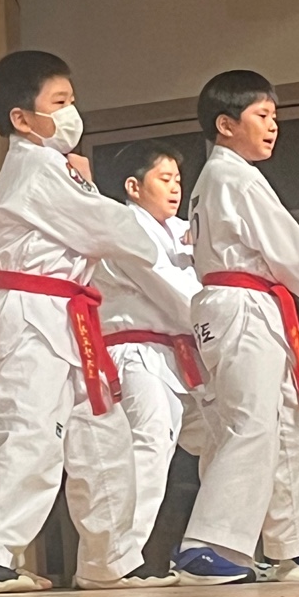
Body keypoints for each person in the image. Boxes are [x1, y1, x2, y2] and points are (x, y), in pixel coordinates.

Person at [0, 51, 172, 592]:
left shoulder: (53, 166)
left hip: (65, 315)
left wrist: (87, 187)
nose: (72, 112)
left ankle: (109, 559)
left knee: (103, 436)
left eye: (72, 100)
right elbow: (114, 230)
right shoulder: (35, 166)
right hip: (31, 312)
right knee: (33, 434)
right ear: (22, 118)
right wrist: (96, 193)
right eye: (59, 102)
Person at [176, 71, 299, 585]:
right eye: (261, 115)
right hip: (242, 304)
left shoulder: (224, 176)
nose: (272, 126)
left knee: (287, 424)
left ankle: (293, 546)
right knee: (253, 422)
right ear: (226, 124)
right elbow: (287, 246)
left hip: (250, 303)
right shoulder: (234, 177)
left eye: (274, 116)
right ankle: (206, 544)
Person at [92, 141, 208, 563]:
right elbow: (174, 291)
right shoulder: (125, 227)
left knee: (228, 438)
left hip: (180, 354)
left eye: (178, 179)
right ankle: (120, 556)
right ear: (133, 186)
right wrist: (221, 321)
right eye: (164, 179)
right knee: (150, 444)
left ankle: (219, 543)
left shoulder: (180, 230)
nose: (175, 188)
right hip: (135, 350)